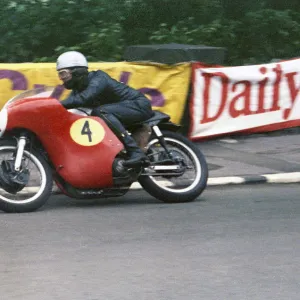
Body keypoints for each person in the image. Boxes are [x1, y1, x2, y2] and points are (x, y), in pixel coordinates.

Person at [56, 51, 154, 167]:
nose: (61, 78)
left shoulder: (98, 78)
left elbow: (82, 99)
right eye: (60, 74)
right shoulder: (77, 90)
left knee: (100, 112)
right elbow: (68, 108)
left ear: (77, 71)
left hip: (137, 105)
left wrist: (53, 103)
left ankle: (135, 152)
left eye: (63, 74)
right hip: (119, 113)